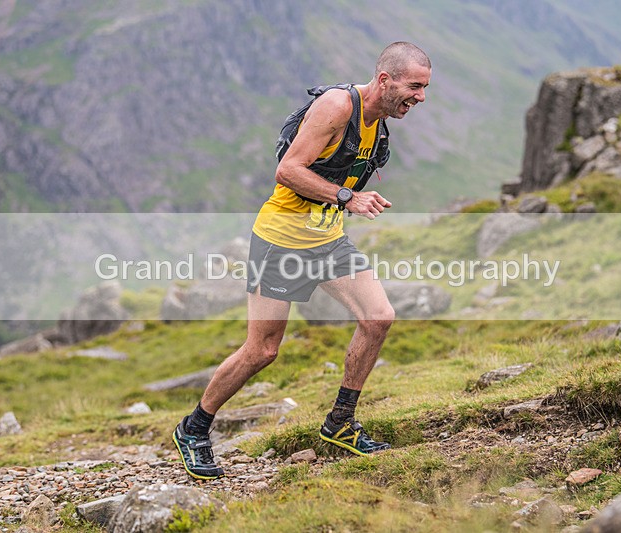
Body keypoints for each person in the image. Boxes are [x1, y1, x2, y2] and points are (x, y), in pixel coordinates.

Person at [173, 42, 431, 479]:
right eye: (414, 87)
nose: (420, 97)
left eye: (425, 88)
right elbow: (288, 170)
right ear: (384, 80)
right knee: (262, 351)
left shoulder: (378, 123)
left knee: (379, 318)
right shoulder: (337, 105)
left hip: (327, 241)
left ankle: (340, 424)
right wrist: (347, 197)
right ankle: (194, 428)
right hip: (281, 242)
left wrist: (345, 201)